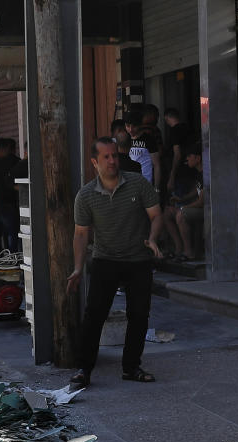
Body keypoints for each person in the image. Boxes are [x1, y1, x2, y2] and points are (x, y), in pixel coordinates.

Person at [67, 137, 163, 390]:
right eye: (106, 157)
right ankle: (84, 369)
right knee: (94, 315)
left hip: (138, 259)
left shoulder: (138, 183)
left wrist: (153, 239)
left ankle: (131, 367)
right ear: (94, 162)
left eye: (115, 156)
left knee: (139, 315)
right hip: (105, 259)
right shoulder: (86, 195)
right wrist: (78, 268)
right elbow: (80, 234)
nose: (112, 161)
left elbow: (156, 215)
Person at [164, 146, 204, 260]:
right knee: (167, 212)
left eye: (189, 156)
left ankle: (188, 252)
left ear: (198, 158)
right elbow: (196, 192)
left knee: (181, 215)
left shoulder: (205, 173)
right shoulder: (197, 173)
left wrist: (183, 207)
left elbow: (201, 202)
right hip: (197, 207)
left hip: (208, 210)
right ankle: (179, 248)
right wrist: (181, 200)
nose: (187, 158)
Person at [0, 137, 21, 252]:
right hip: (9, 202)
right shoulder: (14, 161)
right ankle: (12, 256)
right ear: (5, 148)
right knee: (13, 232)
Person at [126, 112, 160, 189]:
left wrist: (157, 188)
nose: (131, 129)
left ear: (140, 125)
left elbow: (156, 164)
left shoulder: (148, 140)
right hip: (129, 184)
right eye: (128, 126)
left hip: (145, 183)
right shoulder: (125, 140)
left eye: (134, 126)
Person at [163, 108, 193, 194]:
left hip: (179, 172)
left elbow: (177, 154)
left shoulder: (174, 131)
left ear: (167, 118)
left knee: (178, 198)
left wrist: (172, 175)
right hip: (190, 168)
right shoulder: (188, 128)